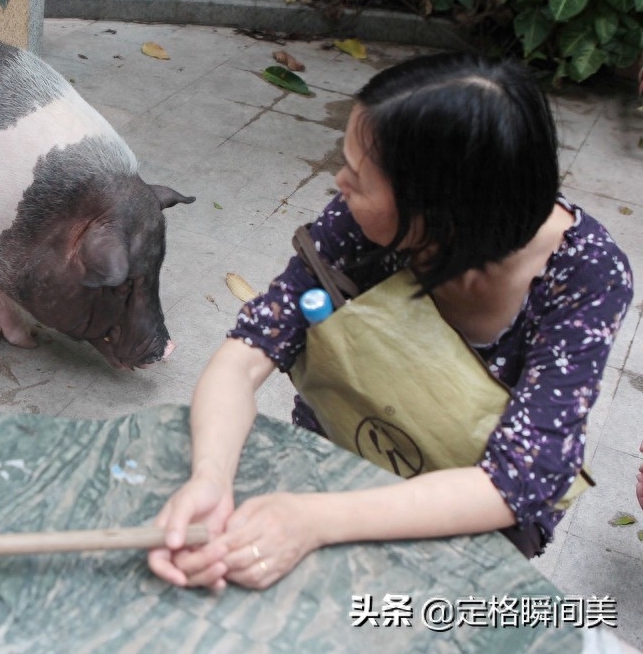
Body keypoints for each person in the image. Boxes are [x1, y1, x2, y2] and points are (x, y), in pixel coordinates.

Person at [149, 52, 634, 591]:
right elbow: (246, 354)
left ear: (439, 212)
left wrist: (313, 521)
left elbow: (516, 482)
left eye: (359, 177)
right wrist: (210, 478)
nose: (339, 183)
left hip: (462, 522)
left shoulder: (587, 274)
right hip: (339, 452)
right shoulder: (359, 223)